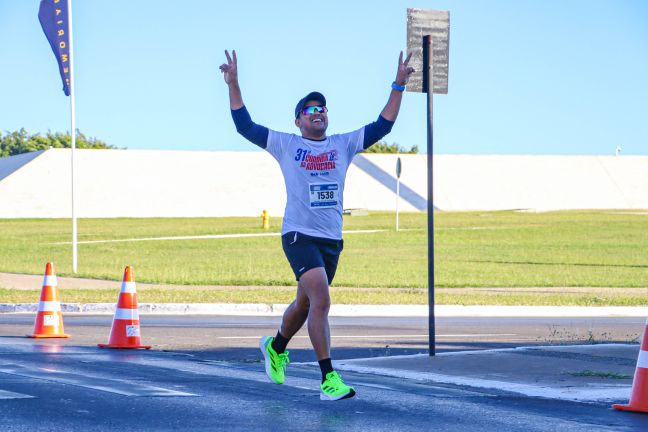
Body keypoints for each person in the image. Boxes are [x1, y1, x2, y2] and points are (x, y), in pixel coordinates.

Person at [219, 49, 414, 401]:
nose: (318, 112)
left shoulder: (343, 144)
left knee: (306, 305)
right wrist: (234, 84)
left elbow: (383, 124)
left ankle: (276, 347)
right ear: (298, 121)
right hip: (298, 235)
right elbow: (244, 126)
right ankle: (328, 379)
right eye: (310, 109)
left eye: (322, 108)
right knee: (322, 299)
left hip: (330, 240)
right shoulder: (286, 143)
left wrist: (398, 84)